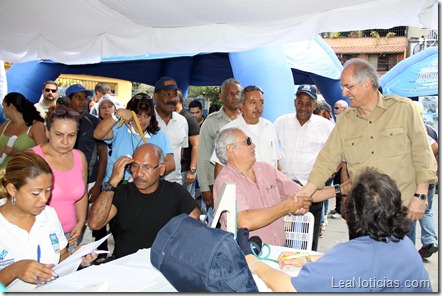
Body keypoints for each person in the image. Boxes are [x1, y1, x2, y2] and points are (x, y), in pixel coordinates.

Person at [300, 58, 437, 243]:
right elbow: (326, 160)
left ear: (367, 84)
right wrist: (306, 192)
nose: (343, 92)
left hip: (400, 210)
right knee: (364, 268)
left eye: (348, 87)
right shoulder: (346, 121)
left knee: (399, 268)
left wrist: (420, 196)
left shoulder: (403, 109)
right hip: (363, 214)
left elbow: (423, 155)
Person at [241, 167, 432, 292]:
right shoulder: (404, 245)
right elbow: (355, 266)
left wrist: (254, 263)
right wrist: (307, 259)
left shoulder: (353, 256)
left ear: (353, 213)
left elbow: (288, 287)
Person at [213, 128, 350, 246]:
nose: (253, 145)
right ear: (231, 149)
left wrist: (342, 189)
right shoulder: (226, 181)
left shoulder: (265, 169)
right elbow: (243, 220)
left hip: (279, 251)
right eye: (247, 141)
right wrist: (287, 207)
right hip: (248, 258)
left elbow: (304, 193)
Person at [0, 152, 97, 290]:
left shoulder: (48, 214)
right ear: (12, 189)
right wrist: (14, 271)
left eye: (48, 190)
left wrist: (77, 257)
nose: (44, 199)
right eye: (35, 193)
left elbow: (61, 258)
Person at [88, 143, 201, 259]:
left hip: (160, 267)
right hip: (124, 267)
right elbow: (95, 223)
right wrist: (112, 182)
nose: (139, 173)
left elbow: (198, 226)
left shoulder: (175, 192)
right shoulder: (122, 192)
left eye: (147, 167)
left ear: (161, 169)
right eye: (135, 166)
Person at [274, 84, 335, 251]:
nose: (303, 107)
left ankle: (307, 270)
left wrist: (327, 175)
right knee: (283, 236)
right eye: (300, 102)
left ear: (315, 105)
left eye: (309, 103)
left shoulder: (326, 126)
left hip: (312, 190)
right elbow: (272, 150)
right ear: (294, 102)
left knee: (309, 238)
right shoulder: (281, 122)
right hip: (285, 190)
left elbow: (337, 155)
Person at [30, 106, 89, 251]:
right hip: (38, 237)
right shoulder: (33, 158)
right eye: (59, 134)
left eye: (71, 135)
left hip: (70, 236)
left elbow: (82, 194)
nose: (65, 141)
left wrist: (81, 222)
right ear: (47, 132)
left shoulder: (79, 157)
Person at [93, 92, 174, 184]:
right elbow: (97, 134)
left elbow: (170, 163)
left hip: (143, 186)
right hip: (115, 185)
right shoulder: (120, 128)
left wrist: (151, 176)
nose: (143, 121)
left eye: (147, 116)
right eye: (138, 116)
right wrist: (116, 115)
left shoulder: (158, 135)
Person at [211, 85, 281, 177]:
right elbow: (220, 169)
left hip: (271, 187)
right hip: (243, 188)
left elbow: (277, 163)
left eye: (261, 103)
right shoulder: (229, 131)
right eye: (253, 102)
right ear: (241, 105)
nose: (258, 107)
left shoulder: (270, 127)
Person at [197, 78, 242, 221]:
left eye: (238, 93)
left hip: (242, 183)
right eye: (231, 93)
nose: (235, 97)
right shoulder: (211, 121)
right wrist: (204, 188)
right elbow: (203, 156)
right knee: (216, 224)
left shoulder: (247, 120)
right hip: (215, 183)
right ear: (222, 97)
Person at [412, 101, 438, 258]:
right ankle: (430, 240)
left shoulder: (417, 128)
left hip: (419, 177)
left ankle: (408, 248)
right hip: (430, 175)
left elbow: (433, 147)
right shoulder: (430, 129)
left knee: (411, 211)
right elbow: (436, 147)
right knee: (427, 210)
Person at [153, 77, 189, 184]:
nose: (172, 99)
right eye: (167, 94)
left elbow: (181, 151)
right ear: (156, 96)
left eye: (174, 95)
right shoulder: (147, 120)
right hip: (150, 184)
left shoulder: (182, 121)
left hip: (175, 182)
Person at [0, 92, 47, 168]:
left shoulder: (36, 126)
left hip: (22, 175)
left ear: (11, 106)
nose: (3, 110)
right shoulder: (5, 124)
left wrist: (17, 153)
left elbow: (44, 153)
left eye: (4, 106)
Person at [175, 90, 200, 198]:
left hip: (185, 171)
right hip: (173, 169)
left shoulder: (189, 119)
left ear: (177, 100)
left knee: (186, 205)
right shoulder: (171, 118)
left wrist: (192, 170)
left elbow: (196, 145)